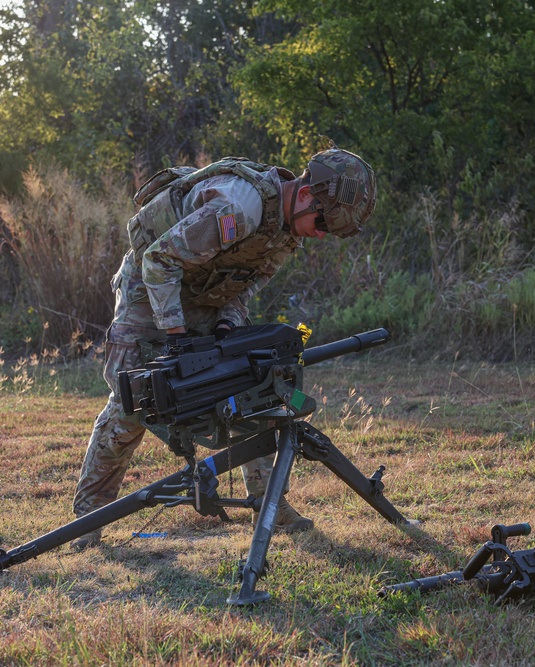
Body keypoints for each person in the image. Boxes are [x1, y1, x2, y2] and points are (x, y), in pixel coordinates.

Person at [70, 148, 377, 549]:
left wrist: (231, 329)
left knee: (256, 385)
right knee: (136, 398)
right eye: (322, 222)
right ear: (305, 195)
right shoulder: (241, 206)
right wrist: (178, 339)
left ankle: (270, 505)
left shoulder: (285, 232)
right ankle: (88, 520)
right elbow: (158, 261)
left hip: (203, 295)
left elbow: (243, 284)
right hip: (149, 289)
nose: (320, 233)